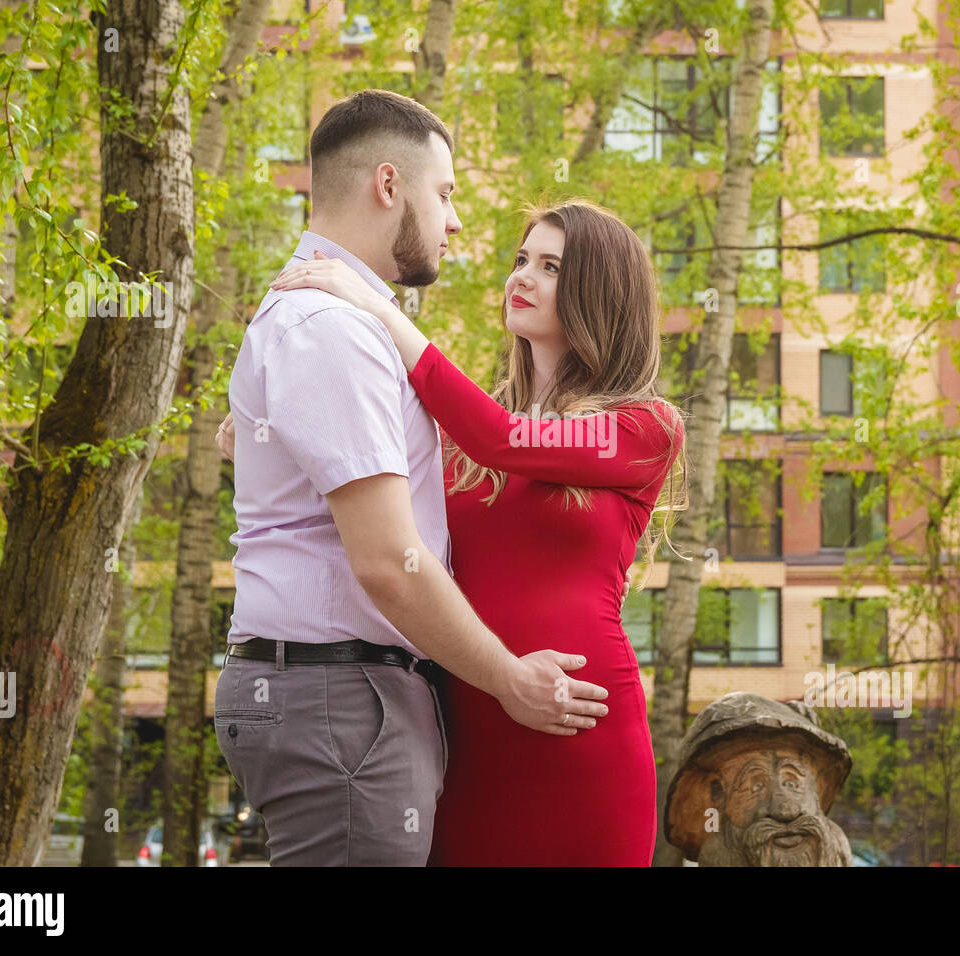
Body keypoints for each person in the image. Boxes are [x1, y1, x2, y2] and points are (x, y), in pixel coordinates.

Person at [215, 89, 611, 867]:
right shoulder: (330, 326)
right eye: (446, 193)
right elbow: (386, 564)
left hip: (344, 696)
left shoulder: (332, 319)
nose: (456, 221)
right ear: (388, 186)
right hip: (342, 697)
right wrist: (508, 678)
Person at [264, 198, 686, 865]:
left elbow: (503, 438)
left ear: (597, 293)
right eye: (522, 260)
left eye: (550, 267)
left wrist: (380, 309)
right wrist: (269, 435)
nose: (523, 277)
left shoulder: (646, 427)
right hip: (466, 726)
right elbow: (364, 487)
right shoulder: (459, 440)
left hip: (580, 729)